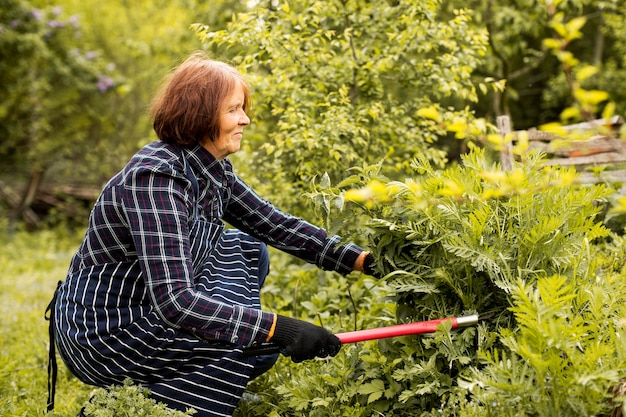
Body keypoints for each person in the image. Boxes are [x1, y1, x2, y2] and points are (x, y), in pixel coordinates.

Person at [50, 51, 377, 417]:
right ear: (201, 115)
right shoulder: (156, 181)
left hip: (151, 310)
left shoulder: (210, 170)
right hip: (111, 333)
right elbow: (176, 301)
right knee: (251, 339)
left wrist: (362, 260)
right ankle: (127, 406)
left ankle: (184, 389)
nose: (246, 119)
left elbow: (276, 225)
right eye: (234, 110)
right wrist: (278, 328)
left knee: (250, 254)